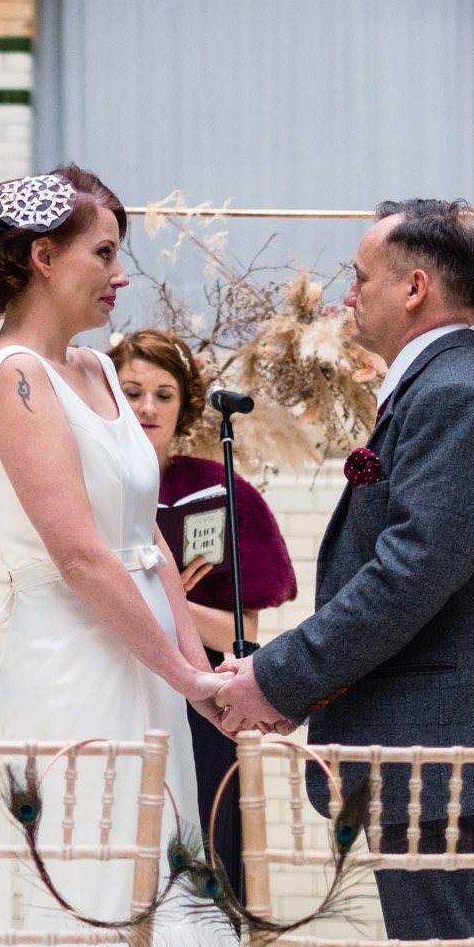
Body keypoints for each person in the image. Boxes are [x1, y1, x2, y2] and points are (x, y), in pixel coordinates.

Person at [211, 198, 474, 947]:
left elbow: (405, 577)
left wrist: (275, 677)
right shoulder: (445, 389)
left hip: (447, 753)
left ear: (414, 287)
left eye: (359, 276)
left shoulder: (459, 397)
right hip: (438, 746)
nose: (346, 293)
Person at [0, 167, 240, 947]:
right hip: (75, 662)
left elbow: (143, 535)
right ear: (44, 256)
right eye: (106, 252)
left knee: (162, 866)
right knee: (93, 875)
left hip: (149, 659)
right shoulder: (17, 379)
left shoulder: (96, 369)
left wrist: (201, 678)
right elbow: (82, 556)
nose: (123, 275)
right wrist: (185, 673)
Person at [110, 327, 298, 897]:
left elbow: (240, 633)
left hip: (200, 704)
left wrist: (171, 596)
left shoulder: (215, 489)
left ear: (185, 404)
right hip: (114, 687)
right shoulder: (88, 486)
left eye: (164, 394)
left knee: (208, 851)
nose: (147, 407)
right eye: (133, 391)